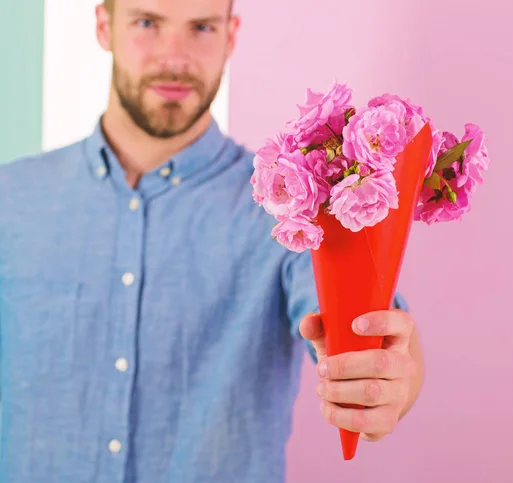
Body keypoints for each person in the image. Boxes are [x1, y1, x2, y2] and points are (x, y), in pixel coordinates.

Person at [0, 0, 425, 481]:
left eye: (201, 27)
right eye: (147, 23)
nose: (175, 57)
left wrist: (387, 377)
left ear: (230, 36)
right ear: (104, 26)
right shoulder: (9, 200)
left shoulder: (291, 209)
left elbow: (379, 337)